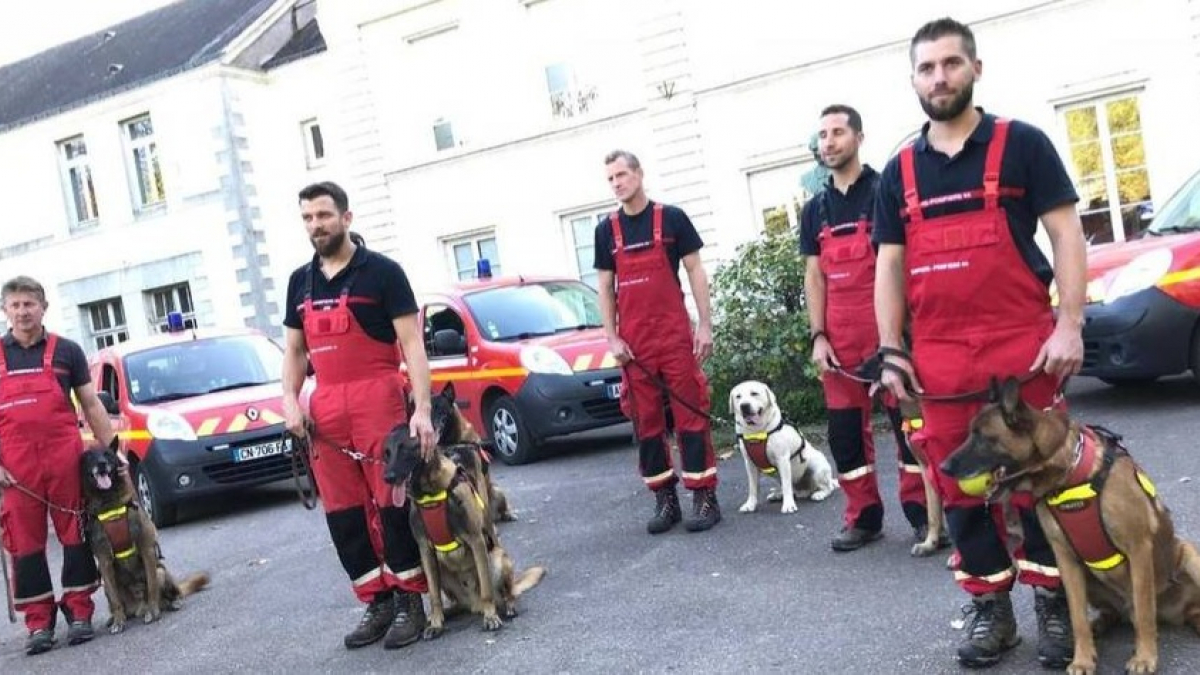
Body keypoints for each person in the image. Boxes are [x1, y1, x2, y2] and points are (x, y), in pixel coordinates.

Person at [873, 18, 1086, 669]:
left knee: (1041, 483)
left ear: (975, 69)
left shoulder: (1023, 145)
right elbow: (889, 265)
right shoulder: (899, 171)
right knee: (962, 487)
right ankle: (992, 609)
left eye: (950, 64)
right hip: (939, 360)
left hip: (1023, 351)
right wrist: (891, 349)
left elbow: (1067, 234)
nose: (939, 77)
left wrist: (1070, 321)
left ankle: (1055, 605)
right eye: (927, 68)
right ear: (914, 80)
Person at [281, 181, 438, 650]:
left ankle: (410, 599)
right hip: (326, 410)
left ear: (346, 218)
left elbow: (412, 345)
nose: (316, 225)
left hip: (380, 401)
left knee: (390, 506)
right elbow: (293, 350)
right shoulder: (299, 282)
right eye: (308, 218)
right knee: (344, 516)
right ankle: (377, 601)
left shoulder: (383, 273)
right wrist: (290, 400)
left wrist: (423, 411)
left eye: (324, 216)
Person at [799, 105, 930, 552]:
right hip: (839, 343)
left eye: (838, 132)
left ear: (858, 137)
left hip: (887, 337)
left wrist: (902, 339)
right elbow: (814, 276)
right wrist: (818, 336)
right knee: (843, 438)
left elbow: (902, 266)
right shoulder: (815, 210)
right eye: (822, 135)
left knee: (909, 431)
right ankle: (863, 517)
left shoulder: (884, 192)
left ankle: (923, 515)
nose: (829, 142)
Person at [594, 150, 720, 535]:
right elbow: (604, 286)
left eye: (622, 175)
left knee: (690, 413)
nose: (617, 183)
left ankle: (704, 495)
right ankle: (664, 498)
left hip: (674, 337)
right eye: (611, 178)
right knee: (646, 422)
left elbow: (696, 270)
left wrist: (705, 326)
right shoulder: (606, 230)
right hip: (635, 345)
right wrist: (612, 336)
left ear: (639, 174)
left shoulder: (672, 219)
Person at [0, 275, 118, 655]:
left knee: (75, 531)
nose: (22, 312)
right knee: (25, 543)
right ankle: (39, 623)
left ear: (43, 307)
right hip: (15, 470)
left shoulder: (66, 351)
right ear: (5, 310)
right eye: (15, 305)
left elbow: (91, 404)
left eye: (29, 304)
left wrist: (113, 453)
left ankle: (79, 610)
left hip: (65, 459)